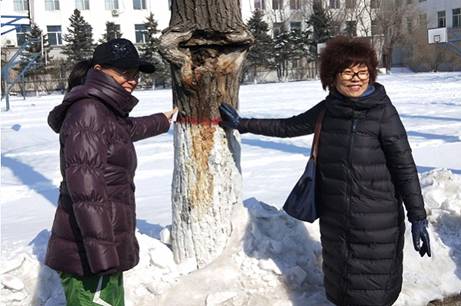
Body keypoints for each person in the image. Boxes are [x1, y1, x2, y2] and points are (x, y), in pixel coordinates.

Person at [219, 36, 431, 306]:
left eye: (362, 71)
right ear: (332, 76)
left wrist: (418, 217)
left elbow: (405, 168)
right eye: (347, 72)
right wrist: (242, 124)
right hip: (336, 219)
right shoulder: (328, 110)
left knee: (373, 291)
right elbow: (289, 127)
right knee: (341, 286)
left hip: (376, 223)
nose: (356, 79)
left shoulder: (383, 113)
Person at [45, 38, 177, 306]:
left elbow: (125, 131)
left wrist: (163, 120)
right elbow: (86, 192)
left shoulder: (105, 110)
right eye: (123, 73)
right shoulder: (89, 111)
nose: (132, 80)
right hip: (89, 256)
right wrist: (103, 256)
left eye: (135, 74)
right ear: (98, 69)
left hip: (102, 246)